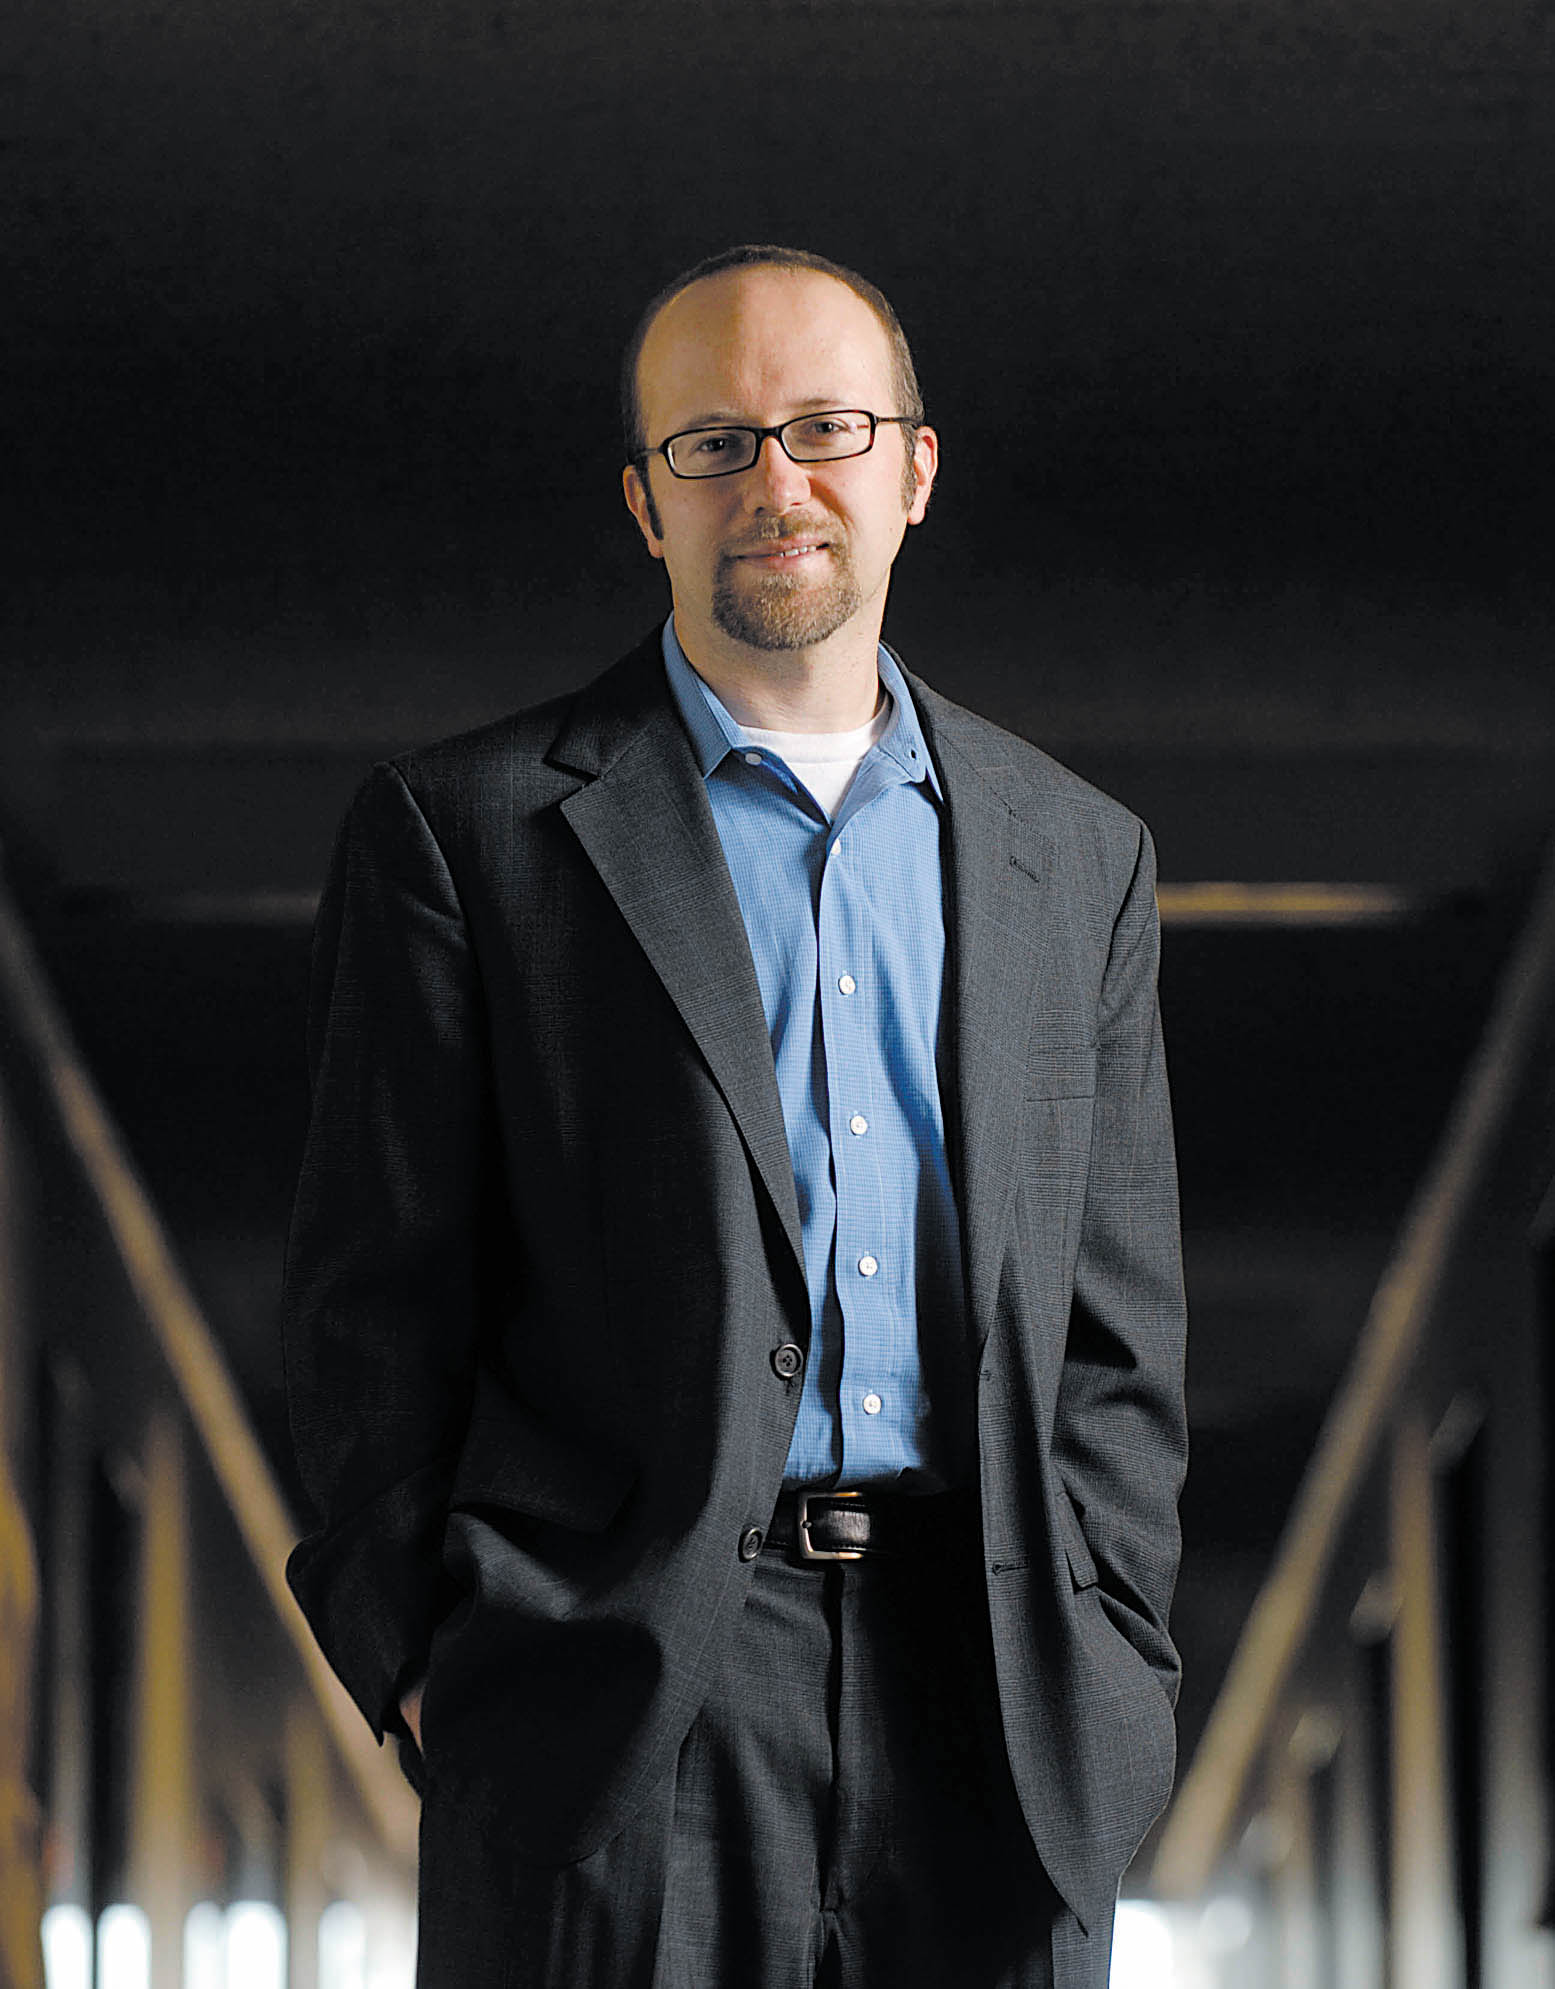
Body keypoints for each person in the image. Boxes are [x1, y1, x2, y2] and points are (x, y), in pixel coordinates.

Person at [283, 244, 1188, 1989]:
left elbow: (1119, 1334)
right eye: (714, 444)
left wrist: (1120, 1653)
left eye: (827, 428)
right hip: (611, 1701)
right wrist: (431, 1669)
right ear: (647, 503)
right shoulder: (460, 837)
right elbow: (365, 1311)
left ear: (915, 471)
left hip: (996, 1694)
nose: (776, 482)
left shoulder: (1081, 858)